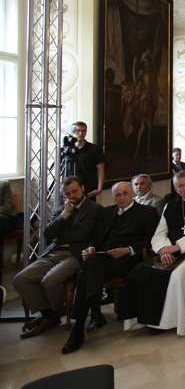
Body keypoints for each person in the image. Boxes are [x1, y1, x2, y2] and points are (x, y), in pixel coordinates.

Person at [61, 182, 158, 353]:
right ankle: (87, 318)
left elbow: (150, 240)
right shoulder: (106, 212)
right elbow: (95, 237)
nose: (121, 198)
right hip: (103, 257)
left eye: (125, 193)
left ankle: (80, 326)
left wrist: (128, 250)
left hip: (128, 259)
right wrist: (92, 248)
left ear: (132, 194)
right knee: (89, 264)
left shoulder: (147, 212)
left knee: (87, 271)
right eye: (117, 195)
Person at [119, 171, 185, 336]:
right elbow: (159, 233)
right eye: (180, 186)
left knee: (178, 276)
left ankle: (173, 322)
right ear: (176, 188)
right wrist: (163, 250)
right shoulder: (170, 205)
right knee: (140, 272)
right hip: (167, 251)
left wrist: (176, 247)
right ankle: (143, 320)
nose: (184, 189)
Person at [14, 177, 100, 339]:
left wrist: (61, 233)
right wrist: (64, 216)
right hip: (54, 252)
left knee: (50, 280)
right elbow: (47, 234)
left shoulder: (94, 209)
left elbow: (81, 234)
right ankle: (49, 315)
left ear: (82, 188)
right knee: (20, 279)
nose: (71, 196)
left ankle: (55, 312)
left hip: (76, 254)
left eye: (74, 191)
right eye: (67, 193)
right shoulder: (62, 209)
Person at [64, 122, 104, 200]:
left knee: (89, 211)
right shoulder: (66, 150)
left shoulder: (94, 149)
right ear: (72, 132)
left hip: (88, 189)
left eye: (83, 131)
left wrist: (100, 188)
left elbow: (101, 169)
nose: (81, 133)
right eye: (77, 131)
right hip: (70, 189)